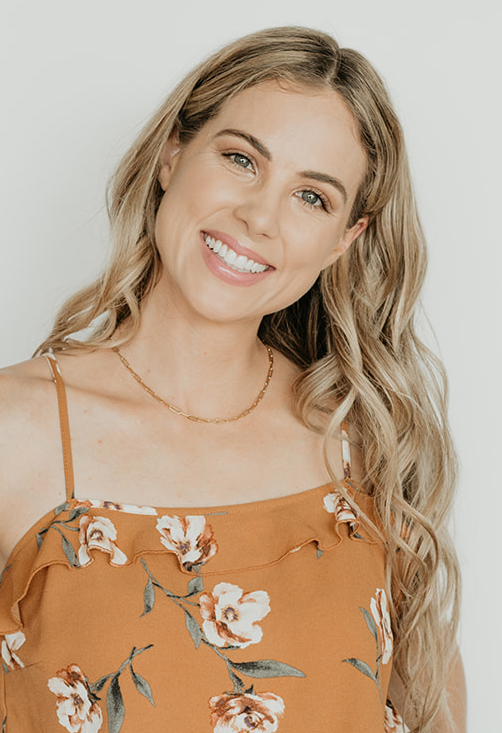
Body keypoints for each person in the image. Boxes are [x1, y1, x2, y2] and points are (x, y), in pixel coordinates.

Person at [0, 26, 466, 733]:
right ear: (173, 153)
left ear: (345, 239)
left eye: (313, 197)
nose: (259, 217)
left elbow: (435, 711)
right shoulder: (16, 432)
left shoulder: (364, 439)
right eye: (242, 159)